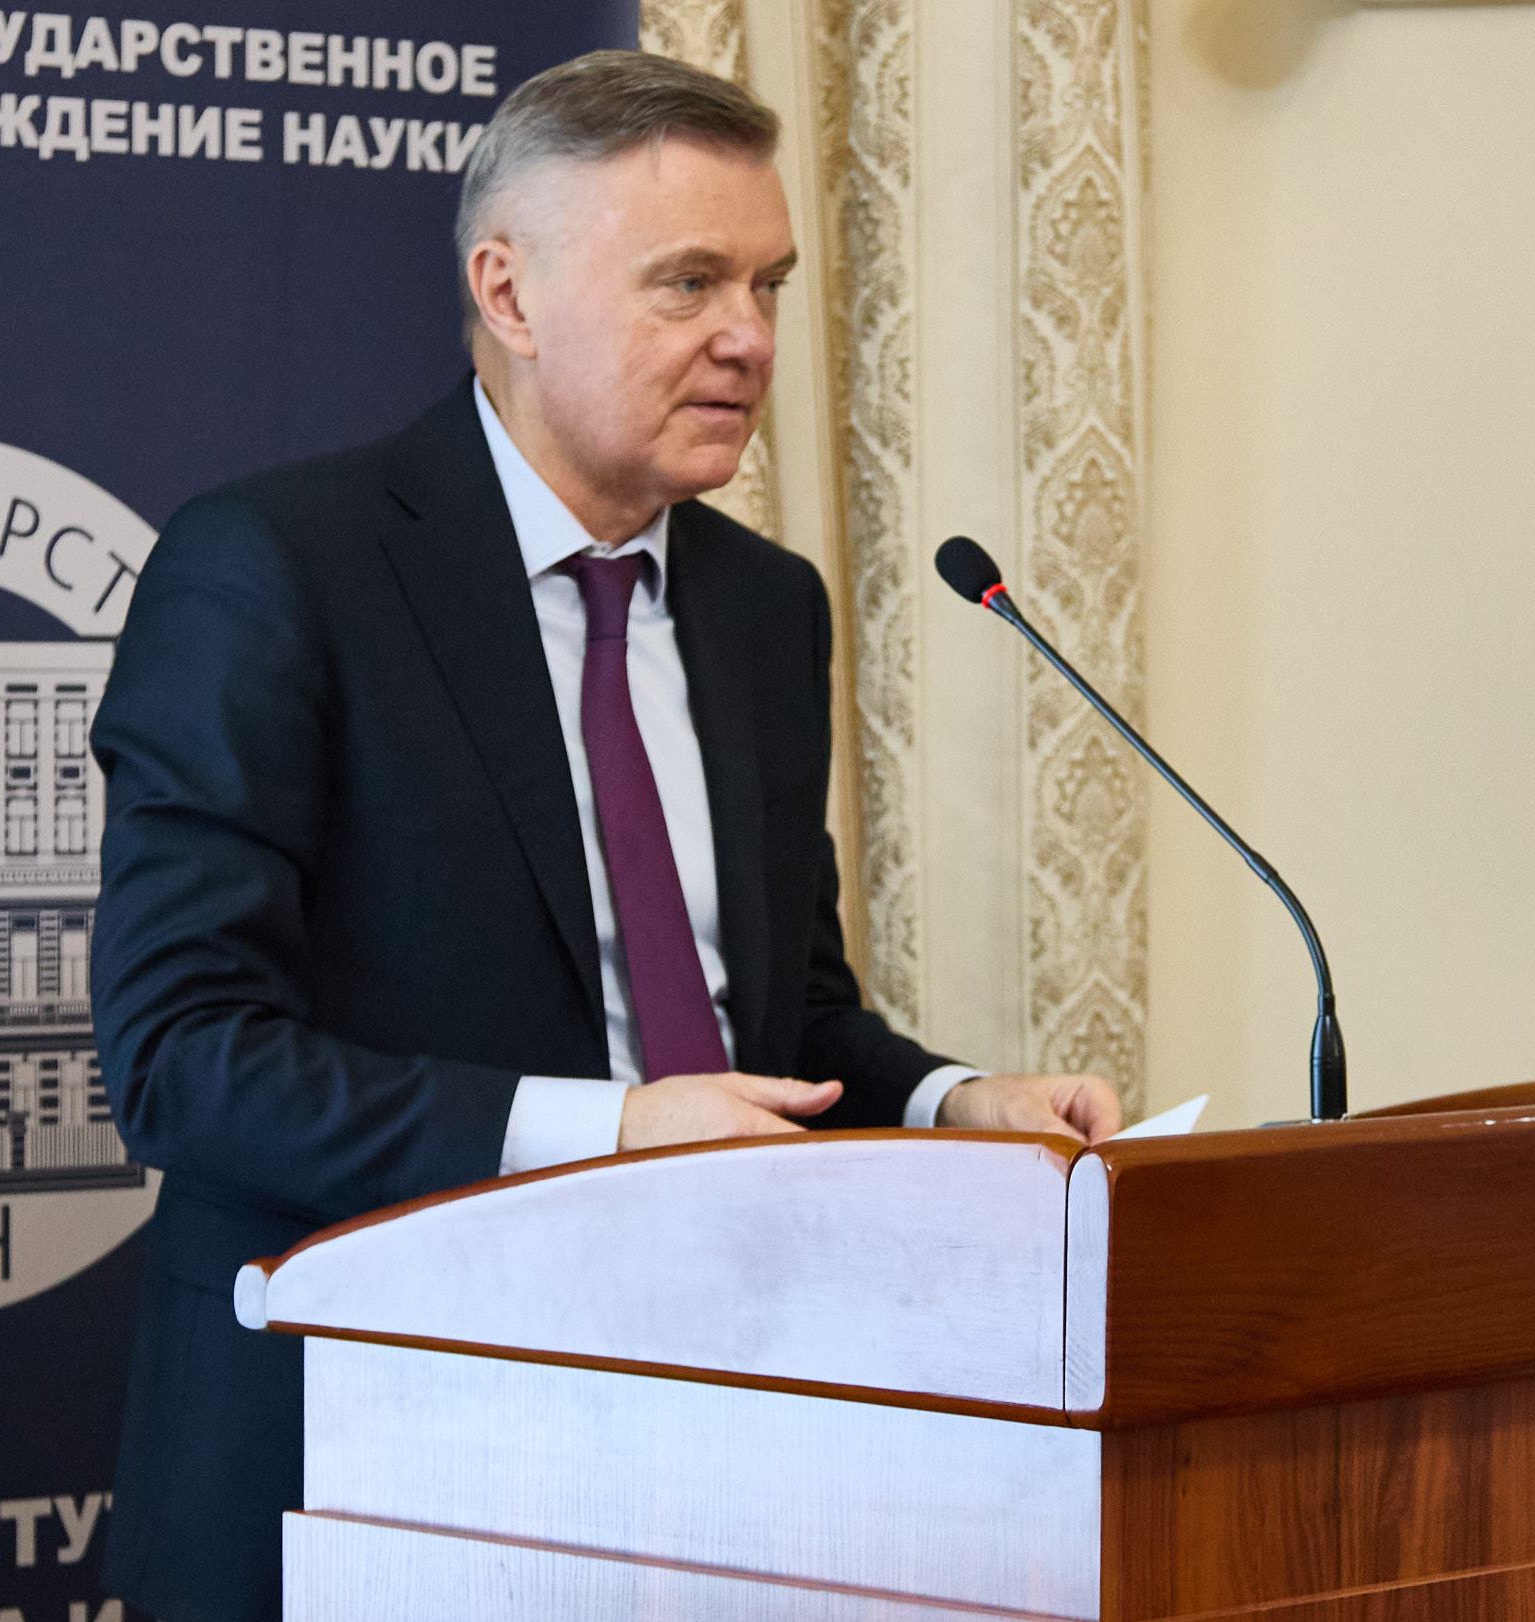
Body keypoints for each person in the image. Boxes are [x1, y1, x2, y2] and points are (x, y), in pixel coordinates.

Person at [88, 48, 1121, 1622]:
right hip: (366, 1442)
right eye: (689, 282)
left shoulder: (763, 608)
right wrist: (614, 1134)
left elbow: (784, 1024)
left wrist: (952, 1102)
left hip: (719, 1446)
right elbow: (184, 1059)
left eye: (767, 285)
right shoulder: (276, 570)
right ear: (509, 294)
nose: (749, 338)